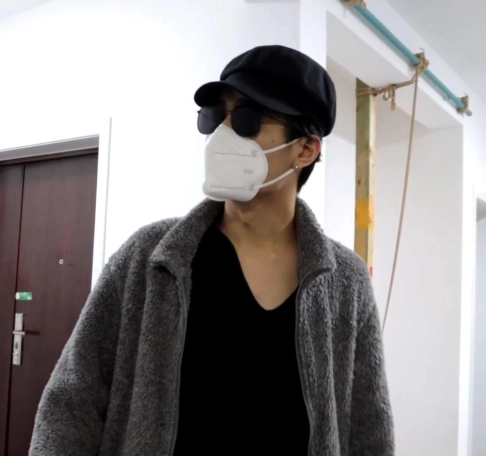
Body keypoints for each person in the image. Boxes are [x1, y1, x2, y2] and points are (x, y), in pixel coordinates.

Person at [29, 45, 394, 456]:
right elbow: (72, 402)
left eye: (248, 118)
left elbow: (368, 428)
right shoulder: (149, 258)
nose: (223, 133)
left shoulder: (346, 281)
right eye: (215, 115)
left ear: (306, 149)